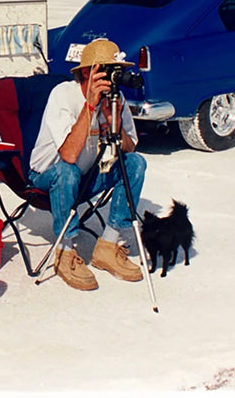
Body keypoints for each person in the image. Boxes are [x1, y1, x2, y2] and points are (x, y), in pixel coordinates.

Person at [30, 39, 148, 291]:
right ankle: (65, 250)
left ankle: (108, 245)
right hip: (47, 174)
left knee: (135, 164)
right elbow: (68, 155)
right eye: (106, 70)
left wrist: (114, 122)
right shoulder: (63, 94)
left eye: (116, 71)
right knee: (67, 171)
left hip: (87, 173)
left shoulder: (116, 98)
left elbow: (130, 148)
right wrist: (90, 106)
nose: (112, 78)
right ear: (87, 72)